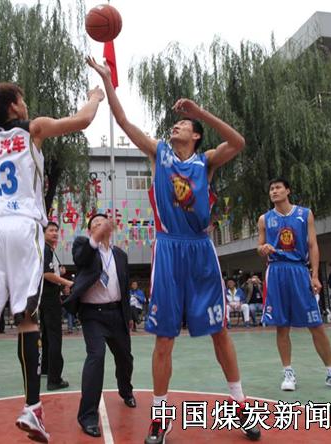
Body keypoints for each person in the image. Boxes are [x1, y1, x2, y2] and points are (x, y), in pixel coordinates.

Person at [88, 57, 260, 444]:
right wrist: (108, 81)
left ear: (195, 134)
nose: (176, 125)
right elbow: (124, 121)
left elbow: (238, 142)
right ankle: (160, 419)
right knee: (164, 338)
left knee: (220, 333)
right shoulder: (159, 153)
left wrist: (200, 112)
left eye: (184, 124)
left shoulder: (206, 161)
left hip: (200, 251)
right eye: (177, 122)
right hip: (167, 250)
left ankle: (240, 406)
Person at [0, 80, 104, 444]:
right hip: (24, 227)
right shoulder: (33, 129)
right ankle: (31, 408)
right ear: (14, 106)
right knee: (27, 319)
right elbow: (83, 120)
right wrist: (95, 96)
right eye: (22, 99)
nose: (26, 104)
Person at [257, 178, 331, 393]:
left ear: (288, 191)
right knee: (282, 325)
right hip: (276, 271)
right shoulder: (264, 219)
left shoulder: (304, 214)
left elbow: (312, 244)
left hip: (299, 270)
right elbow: (259, 246)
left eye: (278, 188)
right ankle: (288, 372)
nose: (274, 191)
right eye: (271, 189)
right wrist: (263, 249)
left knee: (315, 324)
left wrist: (315, 275)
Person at [63, 214, 136, 438]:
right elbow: (81, 259)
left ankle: (126, 391)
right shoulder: (83, 246)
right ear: (90, 231)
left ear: (111, 229)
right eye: (95, 224)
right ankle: (87, 416)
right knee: (96, 357)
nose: (100, 226)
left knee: (125, 357)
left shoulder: (120, 255)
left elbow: (124, 287)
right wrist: (95, 238)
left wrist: (128, 316)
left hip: (116, 313)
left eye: (103, 223)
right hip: (92, 315)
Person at [40, 221, 72, 390]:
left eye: (56, 231)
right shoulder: (45, 249)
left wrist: (60, 276)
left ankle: (46, 368)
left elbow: (51, 272)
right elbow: (47, 274)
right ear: (43, 233)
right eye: (51, 230)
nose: (54, 233)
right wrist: (67, 282)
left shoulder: (48, 250)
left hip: (45, 298)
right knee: (54, 337)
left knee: (47, 336)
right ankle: (54, 379)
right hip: (49, 299)